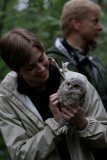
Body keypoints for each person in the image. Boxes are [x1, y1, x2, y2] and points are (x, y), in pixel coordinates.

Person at [0, 28, 107, 160]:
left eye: (41, 59)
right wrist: (55, 125)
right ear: (17, 70)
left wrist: (83, 123)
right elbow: (20, 155)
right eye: (31, 67)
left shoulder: (78, 82)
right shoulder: (8, 99)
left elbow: (105, 139)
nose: (41, 68)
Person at [46, 0, 107, 113]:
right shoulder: (53, 62)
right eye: (95, 22)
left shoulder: (93, 61)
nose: (100, 27)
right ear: (76, 24)